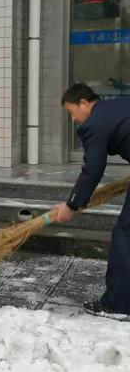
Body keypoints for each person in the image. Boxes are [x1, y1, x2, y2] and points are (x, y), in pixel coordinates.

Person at [56, 82, 130, 318]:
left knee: (125, 235)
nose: (74, 119)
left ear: (84, 103)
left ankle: (118, 305)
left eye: (71, 112)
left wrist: (72, 204)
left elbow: (93, 169)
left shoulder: (94, 123)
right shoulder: (116, 107)